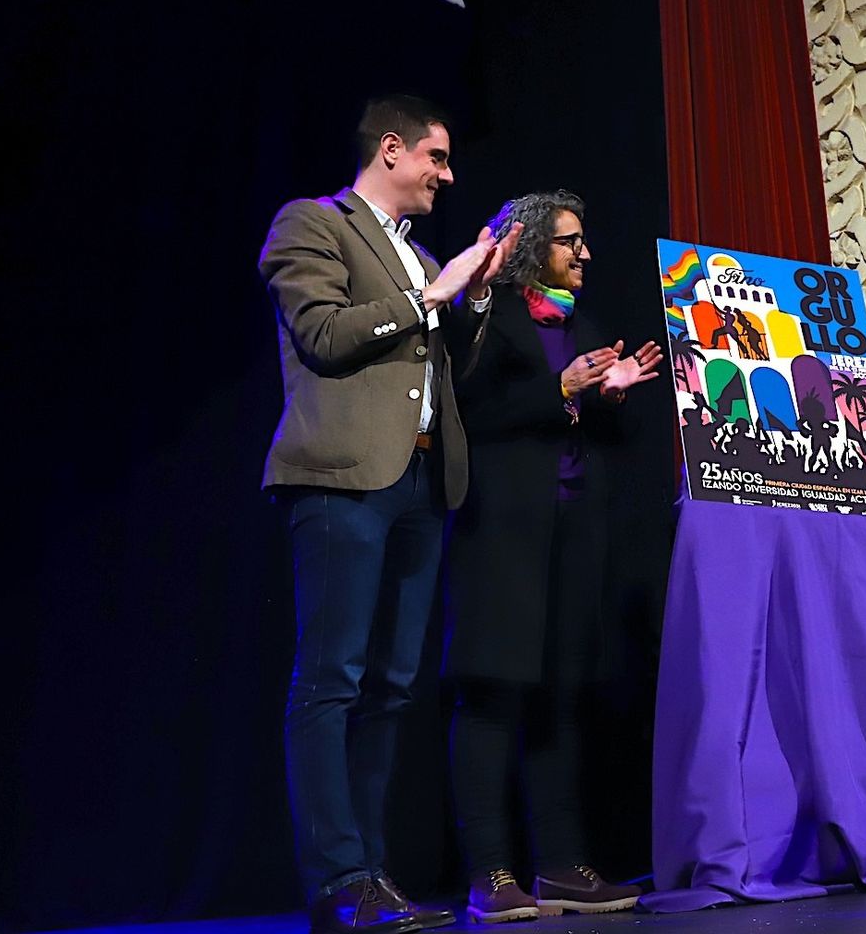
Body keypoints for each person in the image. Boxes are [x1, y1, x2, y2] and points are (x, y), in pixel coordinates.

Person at [260, 94, 514, 933]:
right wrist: (431, 295)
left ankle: (373, 877)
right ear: (393, 150)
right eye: (437, 159)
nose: (447, 175)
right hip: (341, 479)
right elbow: (324, 335)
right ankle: (338, 881)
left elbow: (447, 366)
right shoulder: (313, 223)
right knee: (331, 678)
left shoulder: (421, 256)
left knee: (395, 685)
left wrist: (468, 300)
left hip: (417, 482)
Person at [445, 190, 663, 923]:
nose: (586, 254)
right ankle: (491, 874)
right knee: (492, 698)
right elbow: (472, 414)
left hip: (573, 536)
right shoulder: (490, 318)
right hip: (502, 535)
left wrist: (611, 396)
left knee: (561, 698)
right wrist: (563, 391)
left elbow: (589, 427)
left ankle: (564, 868)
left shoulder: (585, 327)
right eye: (571, 241)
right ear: (536, 247)